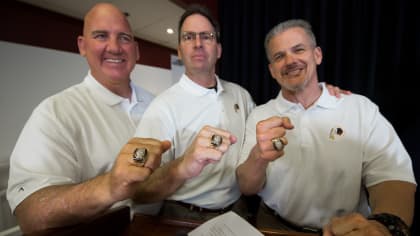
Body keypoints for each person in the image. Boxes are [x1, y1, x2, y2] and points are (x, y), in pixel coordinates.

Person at [133, 5, 348, 222]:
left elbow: (260, 138)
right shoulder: (162, 107)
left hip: (238, 212)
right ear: (179, 50)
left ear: (218, 49)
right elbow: (140, 191)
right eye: (189, 37)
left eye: (206, 37)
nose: (198, 44)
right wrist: (183, 165)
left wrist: (322, 94)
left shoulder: (240, 95)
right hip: (184, 216)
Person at [236, 19, 416, 236]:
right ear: (272, 70)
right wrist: (259, 156)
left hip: (345, 231)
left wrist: (382, 227)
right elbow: (247, 187)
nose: (290, 61)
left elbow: (392, 174)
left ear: (317, 55)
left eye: (298, 49)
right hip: (273, 227)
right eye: (279, 56)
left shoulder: (360, 109)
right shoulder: (260, 115)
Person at [6, 3, 170, 234]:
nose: (114, 47)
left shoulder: (159, 104)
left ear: (136, 50)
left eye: (123, 38)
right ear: (82, 46)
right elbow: (31, 214)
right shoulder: (55, 113)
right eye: (101, 36)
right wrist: (110, 185)